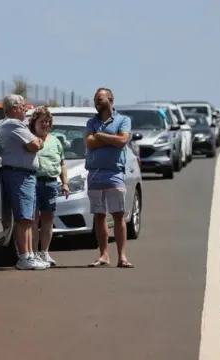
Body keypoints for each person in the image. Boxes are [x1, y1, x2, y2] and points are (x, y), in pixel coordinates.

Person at [0, 94, 48, 270]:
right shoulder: (13, 124)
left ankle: (30, 254)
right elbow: (34, 145)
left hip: (25, 175)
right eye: (23, 106)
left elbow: (32, 144)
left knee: (28, 218)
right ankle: (24, 257)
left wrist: (34, 142)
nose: (26, 109)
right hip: (19, 175)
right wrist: (38, 141)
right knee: (23, 218)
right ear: (14, 108)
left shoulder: (17, 125)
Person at [84, 87, 134, 268]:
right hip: (95, 173)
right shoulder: (92, 122)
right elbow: (89, 143)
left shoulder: (123, 120)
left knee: (119, 215)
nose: (97, 101)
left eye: (100, 98)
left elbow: (122, 141)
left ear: (110, 100)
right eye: (95, 99)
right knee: (99, 215)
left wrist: (101, 136)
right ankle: (104, 254)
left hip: (114, 173)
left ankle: (122, 256)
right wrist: (111, 138)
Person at [29, 106, 70, 266]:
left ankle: (44, 252)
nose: (45, 124)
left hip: (51, 183)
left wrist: (65, 183)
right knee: (33, 219)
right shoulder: (30, 139)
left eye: (48, 121)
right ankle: (33, 253)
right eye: (42, 121)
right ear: (34, 123)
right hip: (33, 182)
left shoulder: (56, 141)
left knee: (48, 219)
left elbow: (62, 164)